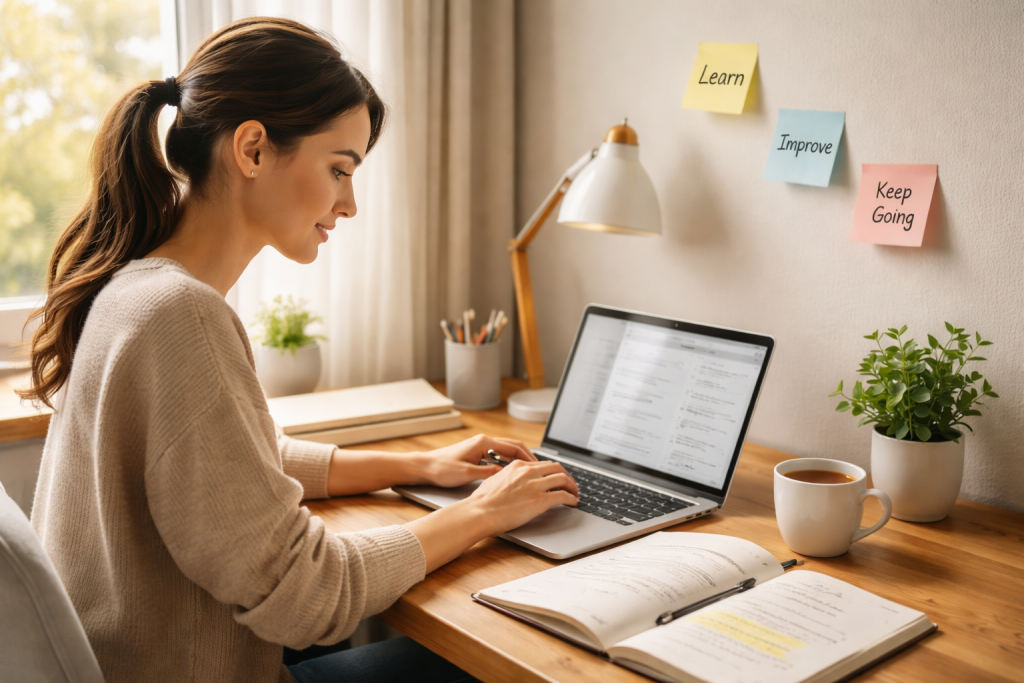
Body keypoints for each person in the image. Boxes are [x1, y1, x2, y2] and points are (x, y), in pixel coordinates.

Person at [22, 17, 578, 683]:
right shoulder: (180, 315)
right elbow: (309, 595)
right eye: (339, 169)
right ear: (252, 149)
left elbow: (241, 465)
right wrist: (484, 512)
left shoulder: (138, 287)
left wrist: (421, 466)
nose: (349, 204)